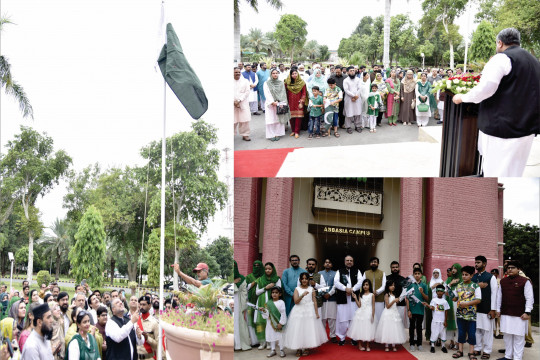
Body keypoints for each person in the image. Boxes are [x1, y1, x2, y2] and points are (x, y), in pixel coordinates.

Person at [452, 28, 540, 176]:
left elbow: (485, 89)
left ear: (500, 43)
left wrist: (462, 97)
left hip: (502, 130)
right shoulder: (534, 61)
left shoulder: (502, 59)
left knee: (496, 174)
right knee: (515, 172)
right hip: (527, 129)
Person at [496, 260, 533, 360]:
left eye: (512, 268)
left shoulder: (525, 281)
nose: (510, 269)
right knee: (507, 336)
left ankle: (517, 358)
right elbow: (499, 296)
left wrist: (527, 312)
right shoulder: (503, 281)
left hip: (519, 314)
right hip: (505, 313)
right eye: (508, 268)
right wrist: (497, 309)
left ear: (519, 269)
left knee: (518, 337)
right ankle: (508, 356)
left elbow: (529, 298)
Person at [283, 273, 327, 357]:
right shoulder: (297, 289)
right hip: (299, 311)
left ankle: (307, 347)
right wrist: (302, 295)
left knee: (308, 329)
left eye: (306, 279)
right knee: (298, 329)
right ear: (300, 280)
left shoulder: (312, 289)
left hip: (309, 311)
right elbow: (296, 301)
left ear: (308, 280)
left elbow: (314, 301)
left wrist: (316, 313)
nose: (304, 280)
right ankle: (298, 348)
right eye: (302, 279)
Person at [452, 265, 482, 360]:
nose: (464, 276)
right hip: (460, 314)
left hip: (471, 315)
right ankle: (460, 351)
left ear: (472, 275)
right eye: (463, 274)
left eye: (466, 274)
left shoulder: (475, 286)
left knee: (472, 334)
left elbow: (478, 300)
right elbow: (455, 298)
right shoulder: (459, 285)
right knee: (461, 333)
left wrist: (467, 303)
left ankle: (471, 353)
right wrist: (452, 296)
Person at [472, 255, 498, 359]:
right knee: (477, 330)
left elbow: (494, 294)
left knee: (487, 331)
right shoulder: (473, 277)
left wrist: (493, 309)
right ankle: (477, 349)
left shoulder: (490, 277)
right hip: (475, 308)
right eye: (476, 262)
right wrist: (478, 285)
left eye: (478, 262)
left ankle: (487, 351)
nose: (476, 264)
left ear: (484, 264)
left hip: (487, 309)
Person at [334, 255, 363, 346]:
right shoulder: (339, 271)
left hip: (354, 298)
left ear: (353, 262)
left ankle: (354, 338)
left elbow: (360, 282)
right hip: (343, 298)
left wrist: (352, 289)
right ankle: (342, 337)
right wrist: (345, 288)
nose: (349, 262)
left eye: (351, 260)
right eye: (347, 260)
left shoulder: (357, 271)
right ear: (344, 262)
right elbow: (336, 282)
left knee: (354, 318)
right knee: (342, 319)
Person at [254, 262, 282, 350]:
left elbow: (279, 290)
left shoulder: (276, 279)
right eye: (266, 269)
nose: (267, 270)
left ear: (273, 269)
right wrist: (266, 288)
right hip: (261, 302)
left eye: (269, 269)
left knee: (270, 322)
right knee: (261, 322)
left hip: (272, 303)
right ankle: (262, 342)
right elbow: (257, 292)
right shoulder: (260, 279)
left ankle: (270, 342)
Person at [375, 280, 407, 351]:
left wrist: (398, 299)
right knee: (387, 328)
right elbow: (387, 306)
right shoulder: (387, 295)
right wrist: (394, 301)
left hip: (394, 313)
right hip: (388, 313)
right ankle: (387, 345)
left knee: (394, 328)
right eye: (391, 285)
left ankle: (393, 344)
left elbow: (396, 302)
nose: (393, 287)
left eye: (394, 285)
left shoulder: (394, 295)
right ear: (388, 286)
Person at [347, 279, 375, 351]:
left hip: (368, 313)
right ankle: (360, 345)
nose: (365, 286)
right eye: (364, 285)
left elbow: (373, 306)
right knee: (360, 329)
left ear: (369, 286)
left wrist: (373, 315)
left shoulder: (372, 295)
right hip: (361, 313)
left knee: (368, 329)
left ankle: (368, 345)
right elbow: (359, 305)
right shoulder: (360, 294)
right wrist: (355, 298)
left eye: (367, 285)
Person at [406, 267, 429, 352]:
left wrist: (422, 292)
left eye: (419, 274)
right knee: (411, 327)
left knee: (419, 327)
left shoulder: (424, 285)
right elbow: (407, 298)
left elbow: (426, 298)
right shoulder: (410, 285)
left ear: (421, 275)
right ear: (413, 275)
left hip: (420, 310)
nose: (417, 275)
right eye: (415, 274)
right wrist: (408, 310)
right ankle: (412, 344)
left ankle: (419, 344)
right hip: (412, 310)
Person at [260, 287, 286, 358]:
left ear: (280, 294)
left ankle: (281, 350)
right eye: (273, 293)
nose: (274, 294)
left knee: (280, 336)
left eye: (276, 293)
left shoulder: (281, 302)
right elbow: (266, 315)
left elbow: (283, 313)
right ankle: (273, 350)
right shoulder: (268, 303)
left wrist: (281, 323)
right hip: (270, 323)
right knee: (271, 336)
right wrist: (263, 311)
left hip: (278, 323)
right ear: (271, 294)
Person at [422, 284, 450, 354]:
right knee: (434, 333)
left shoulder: (445, 301)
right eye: (438, 291)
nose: (440, 292)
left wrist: (445, 321)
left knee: (443, 333)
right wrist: (427, 305)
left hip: (442, 321)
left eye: (441, 291)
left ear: (443, 292)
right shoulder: (434, 300)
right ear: (436, 292)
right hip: (435, 320)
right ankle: (432, 346)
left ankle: (443, 346)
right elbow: (433, 308)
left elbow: (446, 311)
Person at [265, 68, 290, 142]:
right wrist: (272, 102)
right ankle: (271, 134)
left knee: (278, 119)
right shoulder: (267, 83)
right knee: (270, 120)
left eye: (276, 73)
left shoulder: (281, 82)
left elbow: (283, 93)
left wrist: (280, 102)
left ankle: (277, 133)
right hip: (270, 104)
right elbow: (267, 93)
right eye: (273, 73)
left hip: (280, 103)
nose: (275, 74)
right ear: (271, 74)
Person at [233, 261, 251, 351]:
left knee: (238, 321)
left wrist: (243, 306)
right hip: (227, 301)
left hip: (237, 301)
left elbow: (244, 292)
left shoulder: (242, 278)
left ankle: (238, 344)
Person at [246, 260, 264, 347]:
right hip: (251, 302)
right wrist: (255, 281)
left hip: (262, 300)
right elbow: (246, 287)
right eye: (255, 265)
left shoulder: (264, 276)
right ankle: (254, 341)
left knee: (260, 321)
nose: (256, 267)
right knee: (251, 321)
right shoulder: (249, 277)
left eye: (258, 266)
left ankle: (262, 341)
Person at [284, 67, 306, 139]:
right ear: (290, 75)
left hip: (298, 102)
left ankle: (297, 131)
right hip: (290, 102)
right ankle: (293, 130)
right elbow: (283, 92)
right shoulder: (287, 83)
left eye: (296, 73)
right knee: (291, 117)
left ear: (298, 73)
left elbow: (304, 93)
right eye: (293, 74)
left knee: (298, 117)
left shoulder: (302, 83)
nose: (294, 75)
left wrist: (301, 101)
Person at [319, 258, 337, 343]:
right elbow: (318, 286)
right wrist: (324, 294)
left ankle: (333, 335)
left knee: (332, 318)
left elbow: (335, 285)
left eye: (329, 263)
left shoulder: (336, 273)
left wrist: (329, 294)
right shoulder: (319, 274)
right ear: (323, 264)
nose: (327, 264)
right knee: (322, 318)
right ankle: (322, 336)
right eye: (326, 262)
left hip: (332, 298)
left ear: (331, 265)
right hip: (322, 299)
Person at [363, 257, 386, 324]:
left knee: (379, 317)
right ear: (370, 264)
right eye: (372, 262)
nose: (373, 263)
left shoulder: (382, 273)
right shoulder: (366, 273)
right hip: (368, 299)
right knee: (369, 317)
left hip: (379, 299)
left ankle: (378, 333)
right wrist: (369, 293)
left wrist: (377, 292)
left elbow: (384, 286)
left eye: (375, 262)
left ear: (378, 263)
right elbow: (362, 284)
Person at [343, 66, 364, 134]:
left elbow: (360, 88)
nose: (352, 72)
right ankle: (348, 127)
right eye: (351, 71)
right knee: (349, 113)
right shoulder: (345, 80)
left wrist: (356, 96)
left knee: (358, 113)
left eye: (353, 70)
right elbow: (346, 90)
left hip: (357, 98)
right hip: (349, 99)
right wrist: (353, 96)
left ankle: (357, 126)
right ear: (348, 72)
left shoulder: (358, 79)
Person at [446, 263, 462, 350]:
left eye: (455, 268)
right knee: (450, 323)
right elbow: (445, 291)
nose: (453, 270)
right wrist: (450, 284)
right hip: (449, 304)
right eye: (452, 268)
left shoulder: (462, 280)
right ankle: (451, 342)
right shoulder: (449, 279)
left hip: (458, 305)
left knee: (457, 324)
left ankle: (457, 342)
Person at [387, 261, 407, 327]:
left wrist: (399, 299)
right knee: (390, 322)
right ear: (390, 268)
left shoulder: (403, 279)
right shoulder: (387, 278)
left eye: (396, 267)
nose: (395, 268)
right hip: (390, 304)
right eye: (393, 267)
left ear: (399, 268)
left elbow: (405, 291)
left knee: (399, 322)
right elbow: (385, 290)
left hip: (400, 304)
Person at [234, 67, 251, 141]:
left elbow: (247, 92)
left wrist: (239, 100)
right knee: (232, 120)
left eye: (239, 72)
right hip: (232, 104)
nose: (238, 73)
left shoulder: (245, 81)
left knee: (244, 120)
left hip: (243, 103)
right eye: (236, 72)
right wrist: (234, 101)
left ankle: (245, 134)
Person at [427, 268, 444, 342]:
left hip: (441, 304)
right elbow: (428, 291)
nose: (435, 274)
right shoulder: (430, 282)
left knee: (440, 321)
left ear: (439, 273)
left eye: (437, 273)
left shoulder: (442, 282)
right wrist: (434, 286)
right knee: (434, 321)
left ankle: (439, 338)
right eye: (434, 273)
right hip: (433, 303)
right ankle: (433, 338)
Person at [490, 269, 503, 339]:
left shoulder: (500, 281)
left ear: (497, 274)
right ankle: (494, 332)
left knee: (499, 319)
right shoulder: (489, 280)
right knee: (493, 319)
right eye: (492, 273)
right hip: (492, 302)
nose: (493, 274)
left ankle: (501, 333)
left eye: (494, 273)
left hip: (498, 302)